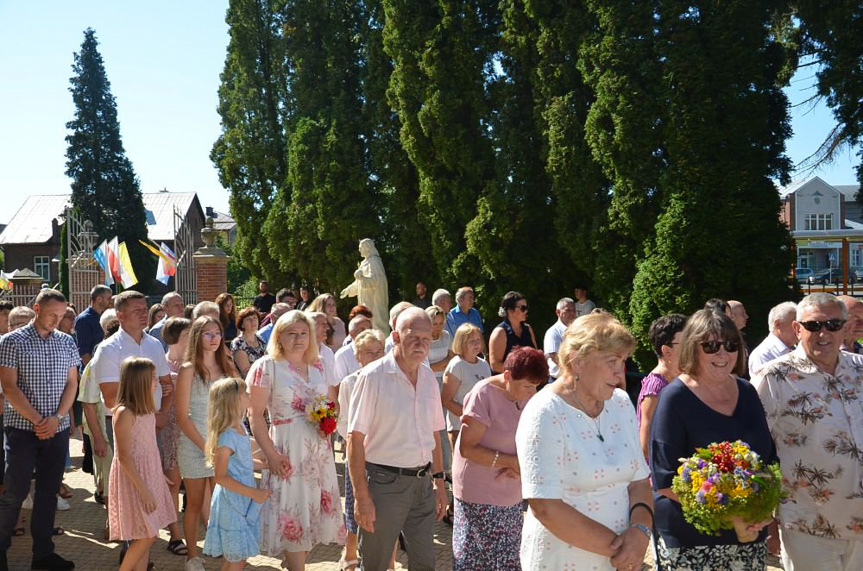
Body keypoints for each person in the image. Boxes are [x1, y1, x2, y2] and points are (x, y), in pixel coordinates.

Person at [516, 313, 652, 571]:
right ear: (577, 361)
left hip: (620, 561)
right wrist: (624, 550)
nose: (619, 370)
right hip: (563, 562)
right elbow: (545, 506)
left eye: (622, 361)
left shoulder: (621, 403)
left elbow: (639, 481)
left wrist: (640, 532)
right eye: (611, 360)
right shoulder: (545, 412)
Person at [650, 309, 776, 569]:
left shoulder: (747, 391)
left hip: (748, 536)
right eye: (710, 345)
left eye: (731, 345)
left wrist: (762, 510)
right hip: (691, 541)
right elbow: (664, 479)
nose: (723, 354)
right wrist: (733, 514)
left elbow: (769, 460)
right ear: (691, 348)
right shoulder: (675, 398)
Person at [752, 293, 863, 571]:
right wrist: (765, 514)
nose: (823, 333)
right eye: (814, 325)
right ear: (797, 329)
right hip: (808, 525)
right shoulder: (773, 377)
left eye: (833, 325)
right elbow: (754, 448)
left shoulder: (860, 369)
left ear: (845, 328)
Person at [347, 307, 447, 571]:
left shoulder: (427, 377)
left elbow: (434, 432)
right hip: (383, 484)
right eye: (413, 337)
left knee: (425, 561)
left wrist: (439, 482)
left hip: (423, 484)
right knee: (375, 563)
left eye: (426, 339)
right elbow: (354, 439)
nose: (420, 344)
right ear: (396, 336)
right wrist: (361, 497)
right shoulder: (373, 376)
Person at [247, 311, 345, 570]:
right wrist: (270, 455)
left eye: (304, 333)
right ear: (279, 336)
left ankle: (294, 563)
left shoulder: (320, 364)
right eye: (292, 333)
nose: (299, 338)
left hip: (318, 452)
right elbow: (255, 416)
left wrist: (329, 424)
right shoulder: (266, 367)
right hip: (286, 451)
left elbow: (332, 404)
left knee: (311, 518)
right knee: (293, 516)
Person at [0, 289, 80, 571]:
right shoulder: (11, 342)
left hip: (56, 431)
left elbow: (73, 383)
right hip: (21, 430)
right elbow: (9, 386)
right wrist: (38, 420)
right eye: (51, 315)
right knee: (15, 492)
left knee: (48, 493)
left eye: (61, 315)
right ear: (36, 309)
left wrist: (57, 418)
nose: (57, 320)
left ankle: (43, 555)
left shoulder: (66, 342)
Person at [453, 347, 546, 569]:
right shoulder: (483, 393)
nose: (532, 393)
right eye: (527, 386)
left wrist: (523, 464)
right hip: (479, 492)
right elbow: (468, 448)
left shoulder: (526, 396)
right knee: (478, 561)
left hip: (511, 490)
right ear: (507, 376)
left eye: (535, 387)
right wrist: (512, 462)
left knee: (508, 560)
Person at [176, 316, 237, 571]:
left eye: (217, 333)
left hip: (221, 445)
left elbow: (236, 407)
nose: (214, 339)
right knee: (194, 502)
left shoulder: (227, 367)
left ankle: (225, 548)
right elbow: (182, 416)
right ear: (197, 337)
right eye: (207, 334)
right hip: (194, 444)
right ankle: (192, 555)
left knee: (223, 501)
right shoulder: (189, 369)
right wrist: (204, 445)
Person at [108, 357, 176, 571]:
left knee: (147, 534)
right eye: (153, 378)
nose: (156, 382)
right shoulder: (123, 412)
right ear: (139, 381)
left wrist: (157, 474)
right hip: (134, 480)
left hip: (149, 476)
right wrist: (144, 490)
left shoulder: (147, 410)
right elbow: (124, 456)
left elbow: (148, 447)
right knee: (147, 536)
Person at [203, 377, 270, 569]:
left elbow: (243, 464)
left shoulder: (239, 429)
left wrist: (267, 465)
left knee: (236, 557)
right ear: (234, 400)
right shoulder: (227, 437)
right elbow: (220, 476)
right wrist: (254, 493)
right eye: (245, 393)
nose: (249, 395)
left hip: (242, 499)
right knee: (237, 558)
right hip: (232, 502)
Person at [336, 330, 387, 571]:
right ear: (358, 356)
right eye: (370, 352)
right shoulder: (350, 383)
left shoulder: (391, 380)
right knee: (355, 506)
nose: (376, 357)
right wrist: (355, 449)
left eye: (380, 352)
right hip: (358, 454)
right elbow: (344, 422)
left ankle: (388, 562)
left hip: (385, 455)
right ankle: (350, 552)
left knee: (387, 511)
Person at [159, 317, 192, 557]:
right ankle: (174, 535)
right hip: (170, 429)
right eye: (188, 334)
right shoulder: (160, 364)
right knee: (172, 483)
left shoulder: (197, 364)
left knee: (197, 485)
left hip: (194, 429)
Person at [636, 313, 687, 459]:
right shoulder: (655, 387)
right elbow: (645, 444)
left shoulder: (681, 379)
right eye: (685, 343)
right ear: (667, 350)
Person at [441, 324, 492, 457]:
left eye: (478, 340)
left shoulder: (484, 364)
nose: (476, 344)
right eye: (472, 341)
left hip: (482, 428)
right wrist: (470, 417)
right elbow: (446, 400)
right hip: (460, 427)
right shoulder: (457, 365)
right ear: (461, 343)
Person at [340, 239, 390, 334]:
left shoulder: (374, 262)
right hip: (365, 301)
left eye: (361, 248)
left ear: (367, 248)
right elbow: (358, 283)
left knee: (376, 325)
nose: (359, 251)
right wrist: (348, 290)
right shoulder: (364, 263)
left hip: (374, 302)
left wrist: (362, 277)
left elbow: (377, 281)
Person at [489, 291, 537, 374]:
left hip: (528, 380)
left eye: (526, 307)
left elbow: (535, 354)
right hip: (507, 382)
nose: (526, 311)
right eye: (523, 308)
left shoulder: (528, 328)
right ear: (510, 310)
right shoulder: (500, 332)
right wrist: (519, 372)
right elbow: (495, 365)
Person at [748, 301, 797, 377]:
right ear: (777, 324)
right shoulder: (763, 355)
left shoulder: (797, 349)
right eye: (794, 324)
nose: (799, 328)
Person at [74, 285, 112, 367]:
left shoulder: (103, 316)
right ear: (99, 299)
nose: (110, 302)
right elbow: (84, 352)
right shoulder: (84, 320)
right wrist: (93, 371)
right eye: (108, 299)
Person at [543, 297, 575, 380]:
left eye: (573, 311)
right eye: (568, 310)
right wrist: (571, 371)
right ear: (558, 312)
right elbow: (554, 357)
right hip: (558, 379)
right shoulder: (553, 332)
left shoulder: (576, 330)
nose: (572, 313)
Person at [333, 315, 373, 382]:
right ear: (352, 334)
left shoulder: (379, 351)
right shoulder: (342, 355)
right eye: (362, 329)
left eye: (370, 328)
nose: (368, 332)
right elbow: (339, 385)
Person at [230, 307, 266, 377]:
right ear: (242, 324)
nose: (253, 321)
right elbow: (246, 373)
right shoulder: (239, 343)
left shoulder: (261, 339)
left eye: (255, 318)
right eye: (248, 319)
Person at [306, 311, 338, 388]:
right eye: (322, 324)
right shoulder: (300, 352)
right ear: (310, 326)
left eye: (326, 324)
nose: (327, 328)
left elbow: (333, 383)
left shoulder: (328, 352)